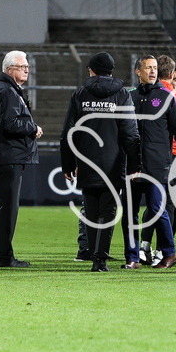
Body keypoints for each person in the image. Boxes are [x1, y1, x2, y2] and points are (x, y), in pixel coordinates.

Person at [60, 52, 141, 272]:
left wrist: (67, 163)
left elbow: (69, 131)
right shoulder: (122, 95)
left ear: (92, 70)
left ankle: (94, 254)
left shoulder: (80, 94)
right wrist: (134, 165)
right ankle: (100, 259)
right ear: (111, 71)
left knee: (91, 210)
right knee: (108, 210)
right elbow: (130, 134)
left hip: (86, 162)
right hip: (114, 163)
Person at [127, 54, 176, 269]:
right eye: (148, 68)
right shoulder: (130, 97)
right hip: (132, 166)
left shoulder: (167, 97)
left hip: (156, 166)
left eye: (155, 68)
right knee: (130, 213)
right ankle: (133, 258)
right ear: (138, 72)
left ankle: (170, 253)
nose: (153, 71)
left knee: (157, 208)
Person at [0, 50, 43, 268]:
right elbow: (9, 124)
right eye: (22, 66)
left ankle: (3, 255)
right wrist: (33, 127)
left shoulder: (1, 90)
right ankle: (4, 257)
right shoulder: (8, 92)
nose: (27, 69)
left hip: (2, 156)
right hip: (9, 156)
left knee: (3, 208)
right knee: (8, 209)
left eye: (27, 66)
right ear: (9, 69)